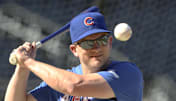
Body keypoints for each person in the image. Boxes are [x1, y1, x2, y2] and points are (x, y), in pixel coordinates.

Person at [5, 12, 143, 101]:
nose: (97, 48)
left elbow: (74, 85)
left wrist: (28, 62)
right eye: (88, 43)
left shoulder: (127, 73)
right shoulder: (60, 80)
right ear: (74, 50)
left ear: (110, 42)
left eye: (102, 41)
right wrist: (22, 68)